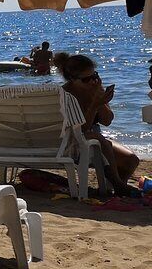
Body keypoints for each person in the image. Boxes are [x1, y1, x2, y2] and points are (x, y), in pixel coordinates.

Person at [55, 52, 140, 195]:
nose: (92, 81)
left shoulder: (94, 89)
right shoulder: (65, 95)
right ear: (72, 79)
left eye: (95, 76)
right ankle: (118, 184)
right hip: (72, 143)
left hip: (93, 142)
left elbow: (107, 121)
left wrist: (100, 100)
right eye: (86, 79)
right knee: (96, 137)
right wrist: (94, 105)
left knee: (131, 160)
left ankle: (115, 187)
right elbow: (82, 129)